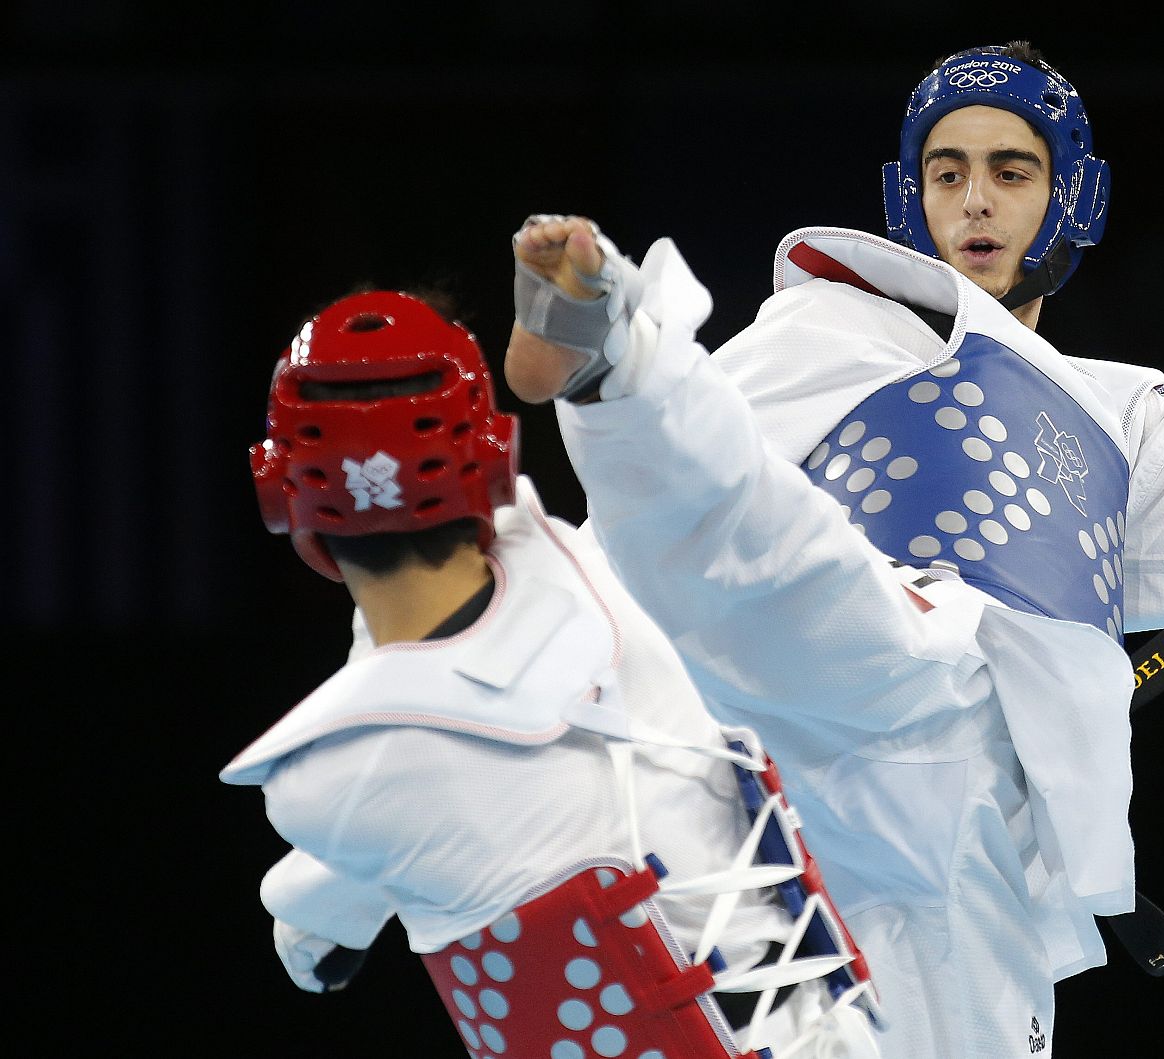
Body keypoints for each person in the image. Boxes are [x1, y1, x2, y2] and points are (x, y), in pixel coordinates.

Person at [503, 40, 1164, 1058]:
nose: (973, 204)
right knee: (720, 508)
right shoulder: (823, 330)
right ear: (906, 199)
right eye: (946, 173)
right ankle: (619, 356)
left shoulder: (1118, 430)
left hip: (973, 869)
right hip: (793, 797)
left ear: (1075, 201)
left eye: (1011, 173)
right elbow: (656, 534)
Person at [218, 287, 885, 1059]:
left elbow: (391, 790)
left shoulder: (327, 788)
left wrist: (307, 903)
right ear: (495, 455)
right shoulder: (589, 569)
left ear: (280, 492)